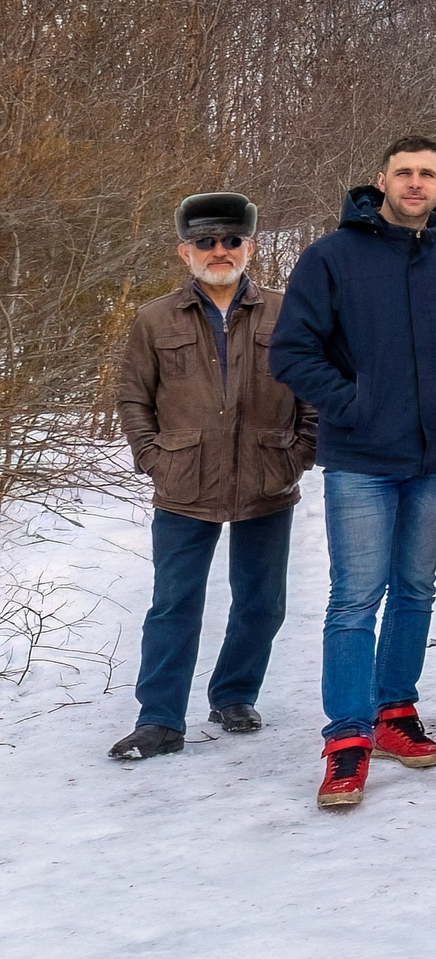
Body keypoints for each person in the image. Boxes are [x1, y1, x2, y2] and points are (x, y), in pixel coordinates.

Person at [269, 135, 436, 807]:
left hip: (434, 457)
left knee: (416, 587)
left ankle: (394, 713)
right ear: (380, 180)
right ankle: (347, 739)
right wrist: (352, 402)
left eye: (428, 174)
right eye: (404, 173)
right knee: (357, 596)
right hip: (360, 455)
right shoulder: (333, 256)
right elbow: (293, 352)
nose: (415, 184)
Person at [109, 192, 315, 760]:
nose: (218, 251)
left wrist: (296, 455)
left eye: (230, 241)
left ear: (248, 246)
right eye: (205, 242)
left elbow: (313, 391)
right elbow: (133, 397)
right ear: (185, 251)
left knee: (261, 602)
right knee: (174, 603)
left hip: (267, 480)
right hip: (183, 483)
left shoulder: (286, 312)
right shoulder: (153, 320)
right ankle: (159, 720)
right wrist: (155, 457)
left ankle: (234, 694)